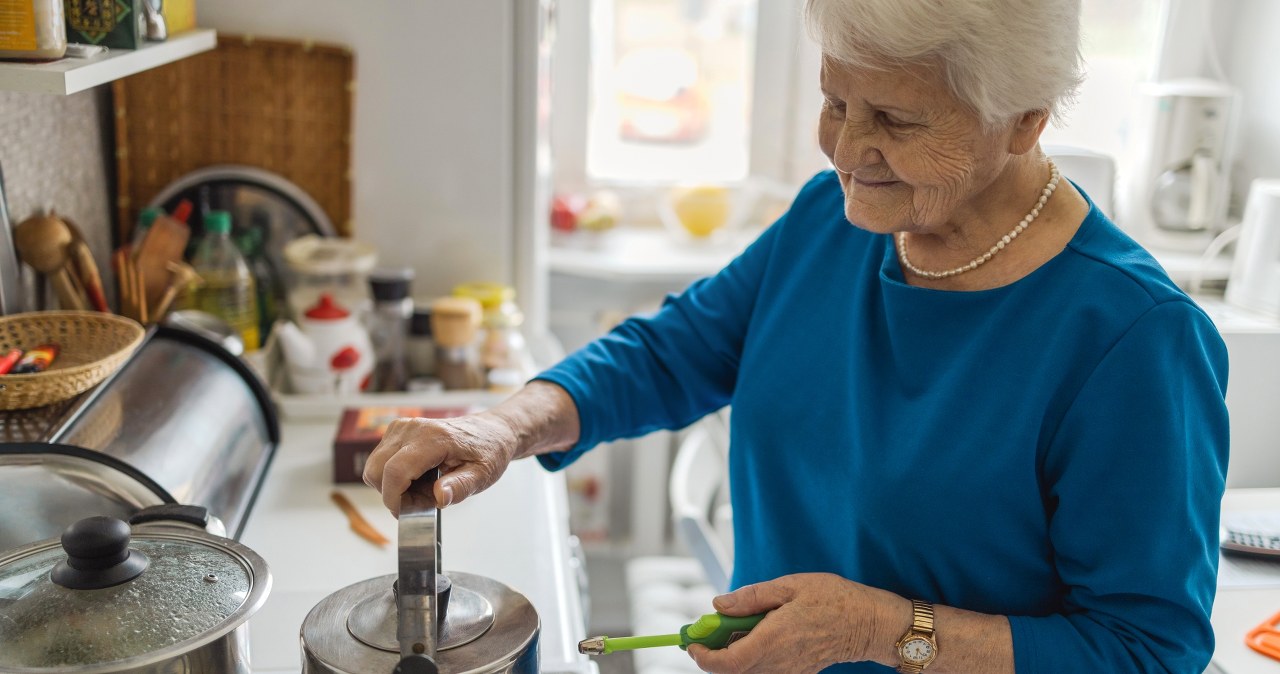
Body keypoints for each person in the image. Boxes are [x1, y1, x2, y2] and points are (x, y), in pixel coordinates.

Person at [364, 0, 1230, 671]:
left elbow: (1147, 650)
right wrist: (502, 427)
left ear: (1025, 120)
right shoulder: (837, 219)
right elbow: (675, 352)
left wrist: (886, 633)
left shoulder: (1134, 342)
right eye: (833, 99)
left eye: (895, 120)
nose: (846, 149)